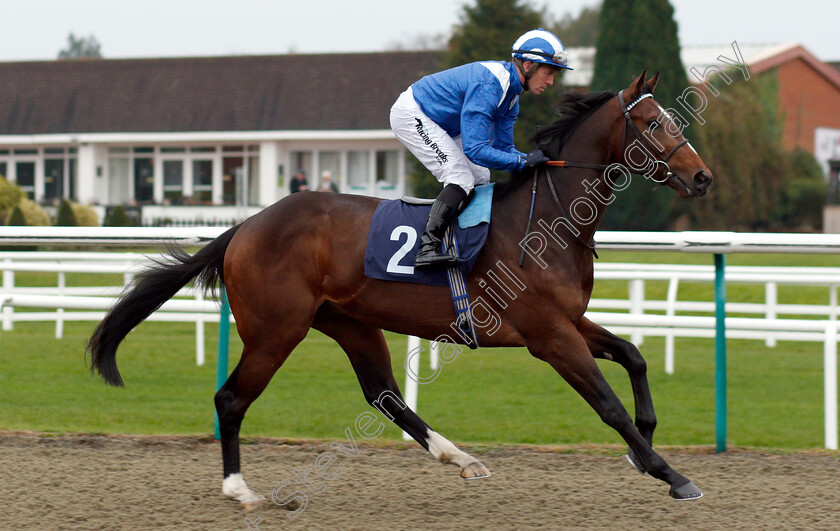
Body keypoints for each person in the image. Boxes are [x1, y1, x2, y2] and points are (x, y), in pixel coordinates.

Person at [390, 29, 572, 269]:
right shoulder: (490, 86)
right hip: (413, 113)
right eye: (548, 73)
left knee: (480, 176)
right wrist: (521, 162)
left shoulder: (511, 98)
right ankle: (427, 247)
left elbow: (502, 148)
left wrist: (531, 159)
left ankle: (462, 239)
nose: (550, 82)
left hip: (443, 123)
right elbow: (476, 150)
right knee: (459, 176)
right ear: (528, 65)